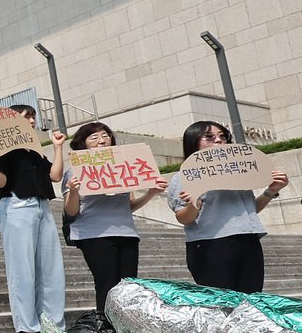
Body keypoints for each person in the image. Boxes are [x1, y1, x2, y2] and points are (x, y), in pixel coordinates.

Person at [0, 105, 66, 333]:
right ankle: (27, 325)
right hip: (17, 205)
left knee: (51, 268)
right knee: (22, 268)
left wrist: (58, 147)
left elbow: (55, 175)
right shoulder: (3, 149)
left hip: (42, 206)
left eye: (33, 116)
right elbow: (1, 182)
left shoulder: (34, 150)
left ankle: (54, 324)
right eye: (26, 117)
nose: (32, 121)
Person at [167, 120, 289, 293]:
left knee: (251, 299)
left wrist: (271, 191)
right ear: (193, 142)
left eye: (222, 136)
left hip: (248, 240)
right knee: (222, 301)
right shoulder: (184, 176)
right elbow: (183, 218)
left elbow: (250, 209)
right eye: (209, 137)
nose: (218, 140)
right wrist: (195, 202)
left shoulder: (239, 172)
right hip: (210, 244)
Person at [62, 122, 166, 311]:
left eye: (105, 135)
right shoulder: (74, 171)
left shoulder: (123, 167)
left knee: (129, 287)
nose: (101, 141)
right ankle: (105, 325)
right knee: (107, 285)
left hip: (127, 233)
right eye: (94, 137)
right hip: (95, 235)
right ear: (82, 143)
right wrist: (74, 191)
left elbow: (129, 206)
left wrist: (151, 193)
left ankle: (124, 325)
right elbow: (71, 211)